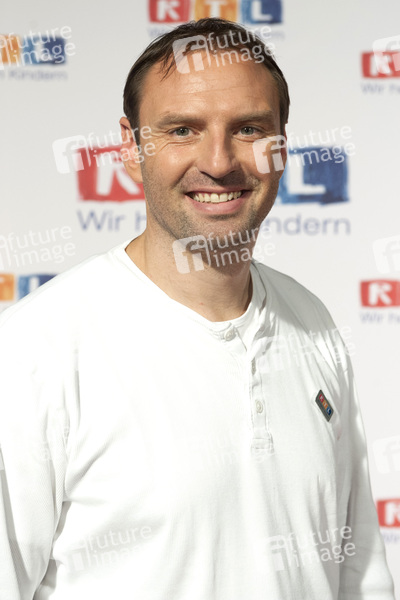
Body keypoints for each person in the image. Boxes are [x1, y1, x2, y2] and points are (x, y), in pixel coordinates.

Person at [0, 17, 395, 600]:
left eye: (249, 129)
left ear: (281, 145)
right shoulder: (36, 349)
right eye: (182, 130)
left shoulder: (312, 322)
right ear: (131, 148)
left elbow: (360, 576)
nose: (218, 161)